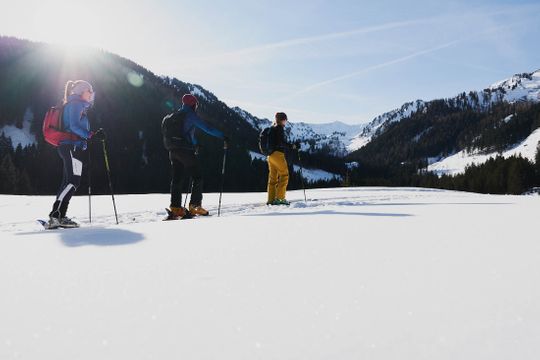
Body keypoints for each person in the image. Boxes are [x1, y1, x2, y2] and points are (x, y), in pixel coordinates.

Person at [162, 93, 226, 219]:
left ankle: (175, 208)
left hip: (173, 151)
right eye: (196, 104)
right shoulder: (190, 115)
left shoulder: (174, 116)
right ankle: (195, 205)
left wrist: (195, 144)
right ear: (193, 104)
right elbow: (207, 128)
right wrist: (223, 136)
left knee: (177, 179)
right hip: (185, 151)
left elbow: (185, 134)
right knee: (198, 176)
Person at [48, 80, 100, 228]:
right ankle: (56, 216)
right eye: (89, 92)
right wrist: (91, 135)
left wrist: (89, 136)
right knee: (72, 182)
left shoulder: (76, 105)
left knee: (68, 182)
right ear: (82, 91)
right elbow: (73, 126)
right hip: (71, 147)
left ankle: (60, 216)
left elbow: (74, 127)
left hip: (72, 147)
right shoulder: (76, 104)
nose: (91, 95)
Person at [266, 112, 296, 205]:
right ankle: (280, 199)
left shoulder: (272, 128)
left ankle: (271, 200)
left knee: (273, 178)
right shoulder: (279, 128)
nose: (286, 122)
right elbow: (280, 143)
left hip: (270, 155)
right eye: (285, 120)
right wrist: (292, 146)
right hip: (278, 155)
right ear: (282, 119)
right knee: (284, 175)